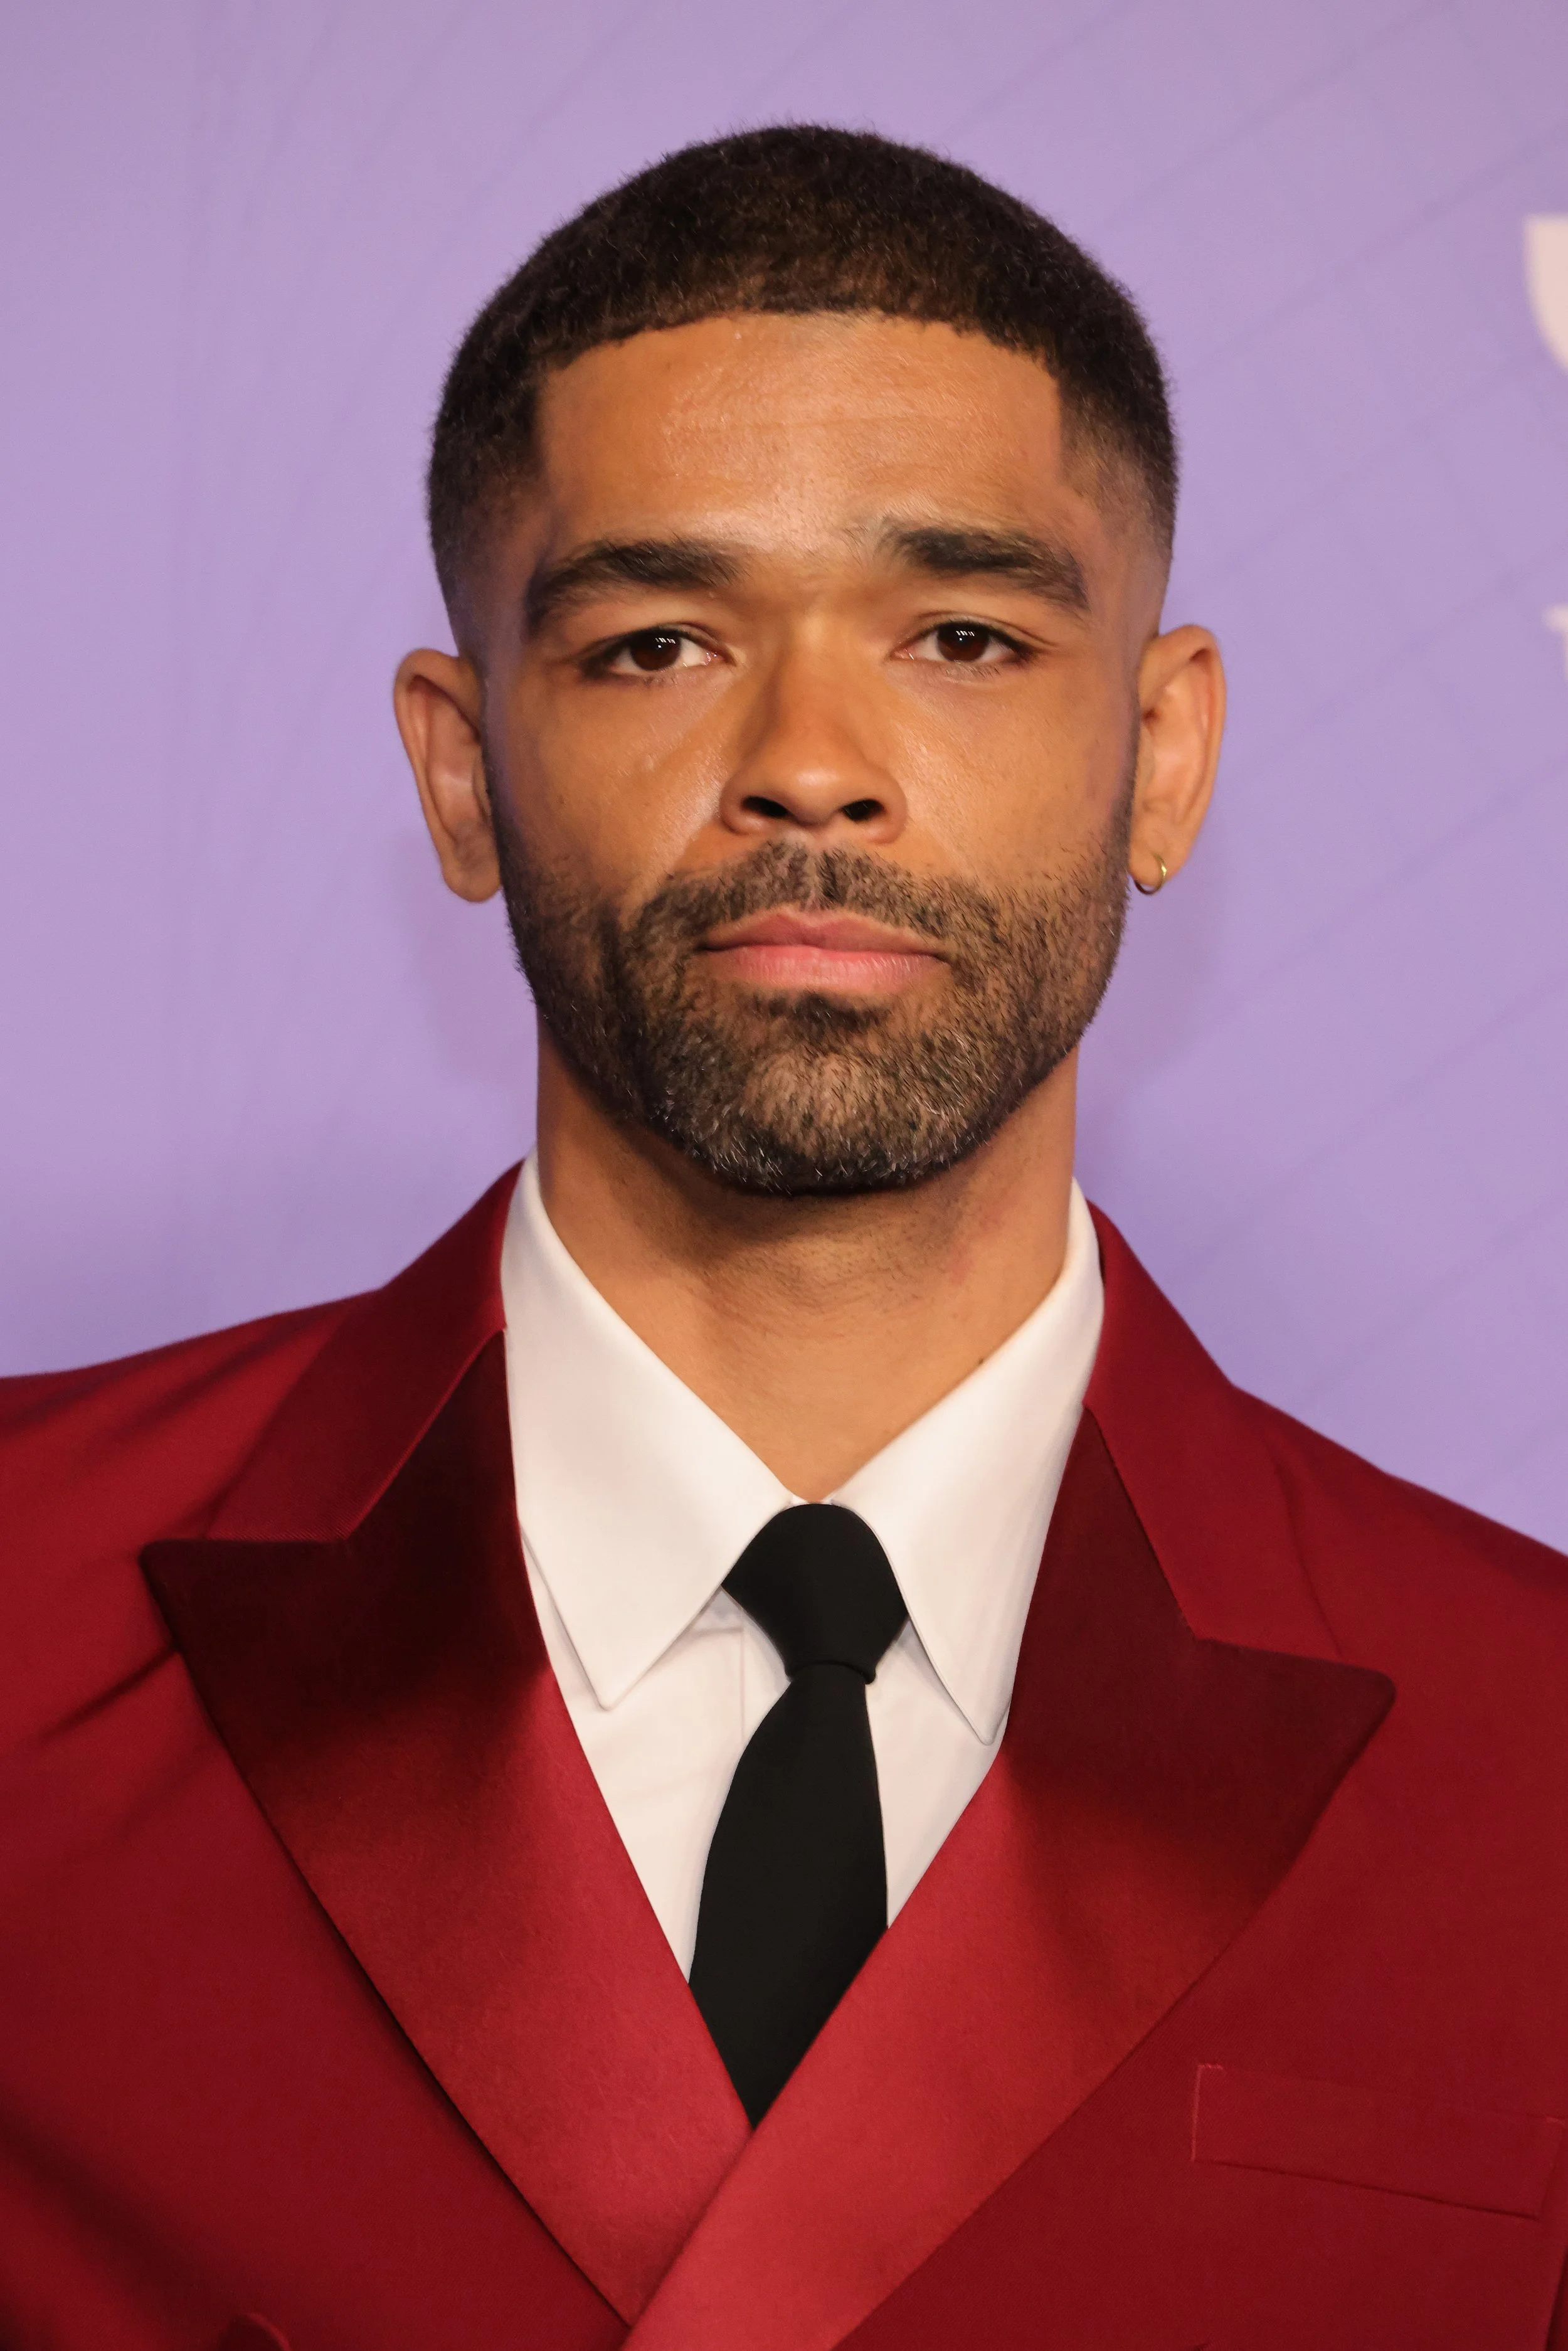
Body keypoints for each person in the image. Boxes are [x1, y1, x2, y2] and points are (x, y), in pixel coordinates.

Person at [3, 125, 1566, 2351]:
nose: (810, 763)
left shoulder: (1540, 1764)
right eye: (654, 642)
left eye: (958, 634)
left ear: (1162, 752)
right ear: (461, 776)